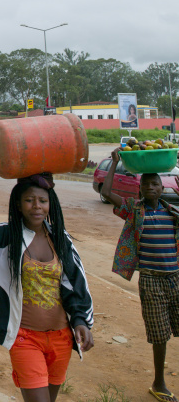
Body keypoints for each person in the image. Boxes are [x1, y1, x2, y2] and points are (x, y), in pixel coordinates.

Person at [0, 168, 94, 402]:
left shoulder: (61, 239)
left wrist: (80, 320)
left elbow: (75, 284)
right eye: (29, 200)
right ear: (18, 205)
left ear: (51, 205)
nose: (36, 206)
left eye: (42, 200)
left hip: (61, 338)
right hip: (24, 338)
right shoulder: (5, 237)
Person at [102, 149, 179, 402]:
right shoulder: (134, 211)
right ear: (140, 189)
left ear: (162, 187)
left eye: (155, 183)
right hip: (150, 280)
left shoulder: (172, 213)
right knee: (159, 334)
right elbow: (106, 193)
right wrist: (113, 164)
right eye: (146, 184)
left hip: (176, 278)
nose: (150, 188)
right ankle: (158, 382)